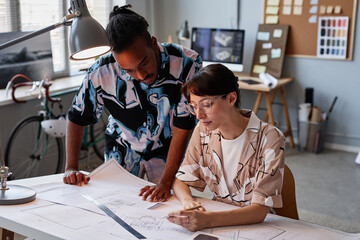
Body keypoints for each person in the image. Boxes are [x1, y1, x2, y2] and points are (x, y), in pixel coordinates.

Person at [63, 5, 202, 202]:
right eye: (128, 70)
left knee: (171, 208)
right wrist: (71, 167)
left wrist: (165, 182)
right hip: (121, 148)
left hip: (168, 150)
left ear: (153, 43)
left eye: (144, 62)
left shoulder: (187, 63)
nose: (141, 75)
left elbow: (184, 124)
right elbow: (77, 116)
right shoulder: (101, 71)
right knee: (118, 206)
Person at [167, 64, 285, 231]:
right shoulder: (203, 131)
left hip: (256, 228)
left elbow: (259, 211)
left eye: (206, 105)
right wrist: (189, 203)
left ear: (231, 99)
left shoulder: (270, 138)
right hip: (220, 224)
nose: (199, 115)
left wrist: (208, 220)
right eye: (194, 106)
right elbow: (181, 181)